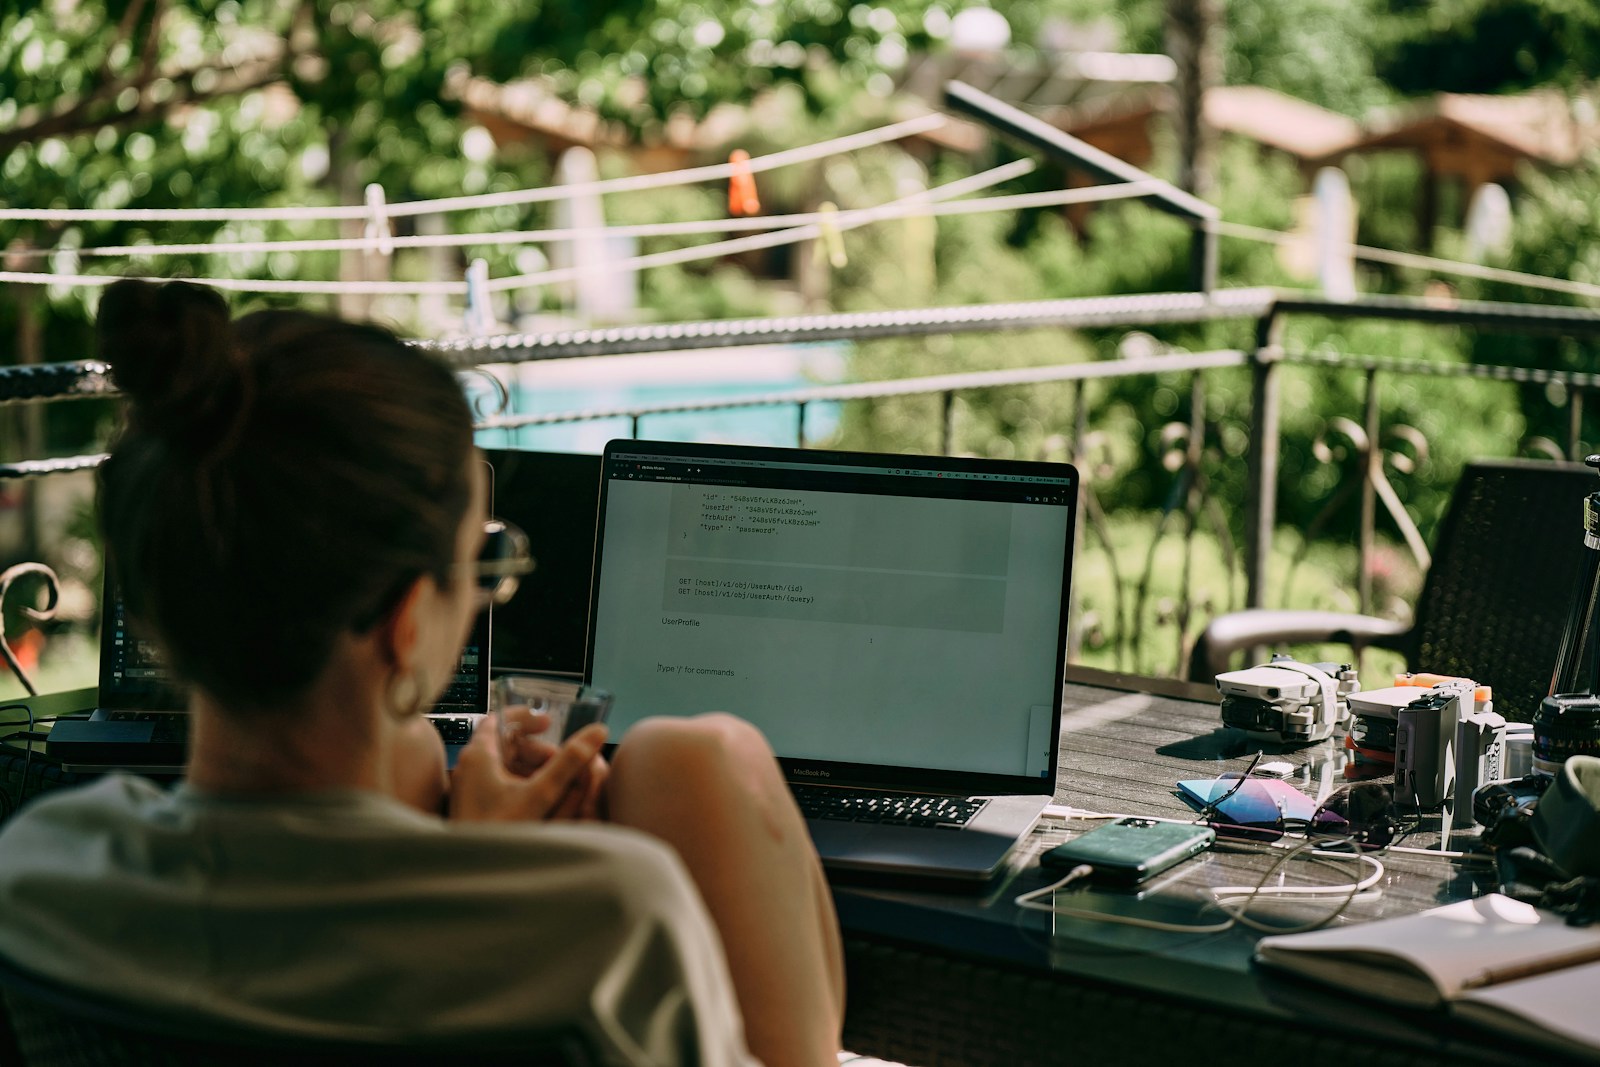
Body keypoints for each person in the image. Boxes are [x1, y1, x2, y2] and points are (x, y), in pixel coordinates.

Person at [0, 280, 844, 1066]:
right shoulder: (610, 919)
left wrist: (460, 859)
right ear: (408, 620)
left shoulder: (38, 874)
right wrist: (494, 887)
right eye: (481, 561)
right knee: (700, 757)